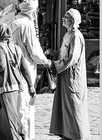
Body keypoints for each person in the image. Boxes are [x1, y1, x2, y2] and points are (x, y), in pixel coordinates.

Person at [0, 23, 36, 140]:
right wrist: (30, 86)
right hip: (16, 86)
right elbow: (24, 68)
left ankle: (16, 137)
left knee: (9, 116)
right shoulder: (17, 48)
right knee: (1, 113)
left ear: (0, 33)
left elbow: (1, 66)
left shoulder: (0, 47)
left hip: (5, 86)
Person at [9, 0, 51, 139]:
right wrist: (46, 61)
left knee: (17, 103)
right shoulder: (27, 25)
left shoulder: (14, 21)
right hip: (25, 67)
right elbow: (34, 50)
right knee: (26, 104)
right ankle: (25, 136)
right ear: (32, 11)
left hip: (13, 68)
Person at [48, 8, 91, 140]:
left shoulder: (76, 36)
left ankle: (78, 135)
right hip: (64, 76)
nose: (63, 19)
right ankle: (67, 133)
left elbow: (72, 58)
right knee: (65, 105)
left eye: (65, 17)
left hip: (72, 77)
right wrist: (53, 53)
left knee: (73, 106)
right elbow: (63, 54)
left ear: (72, 20)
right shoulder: (68, 34)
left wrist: (54, 65)